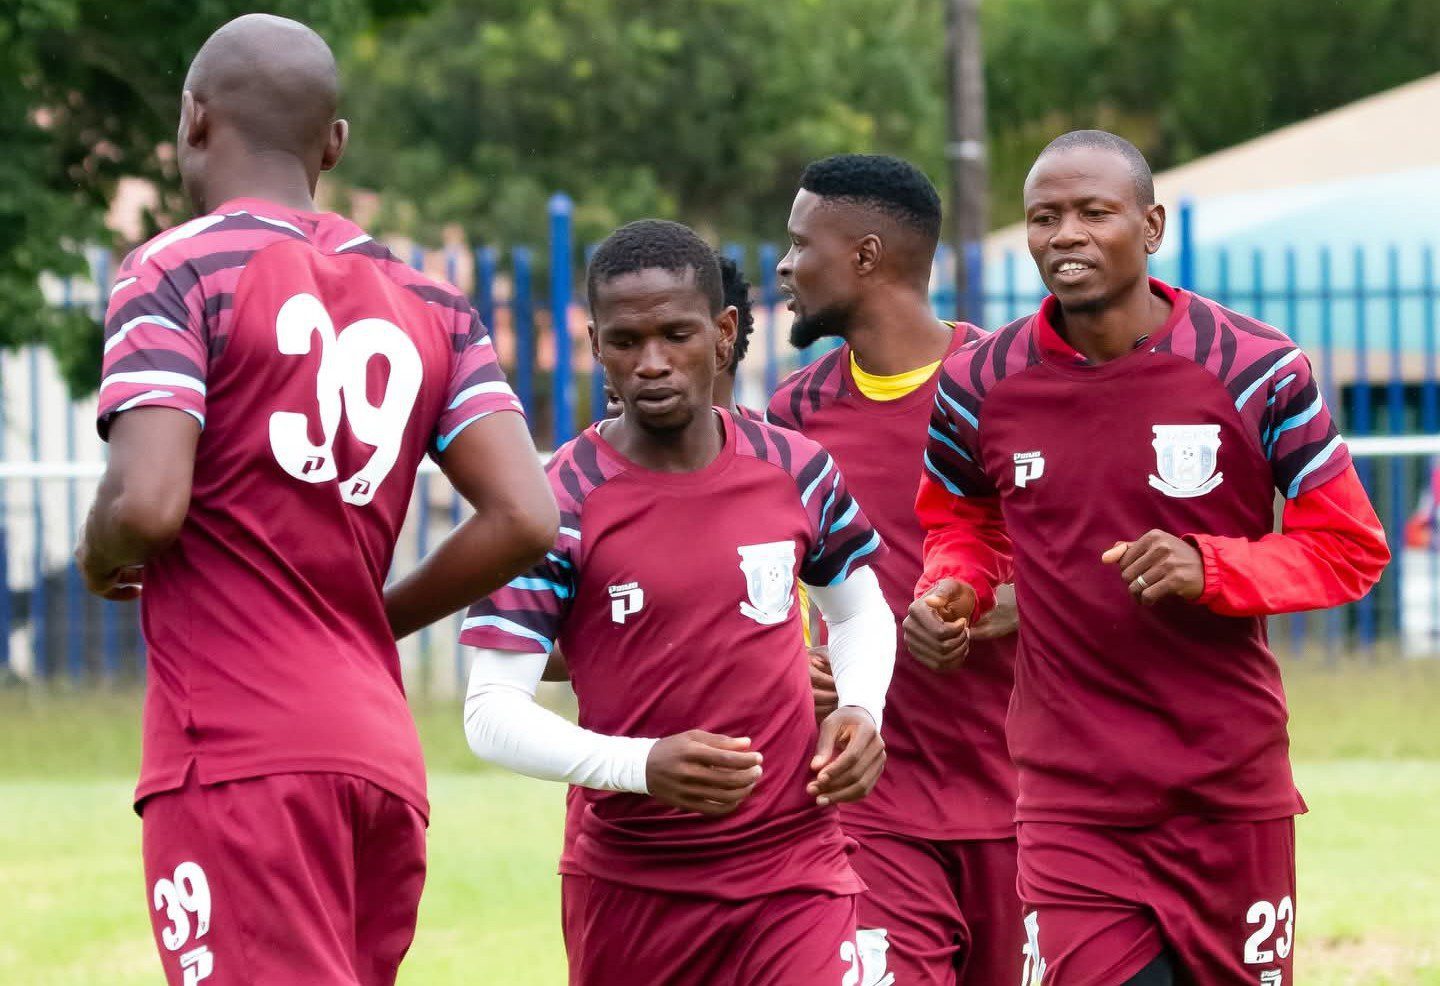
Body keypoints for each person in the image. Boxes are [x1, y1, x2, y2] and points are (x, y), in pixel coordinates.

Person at [76, 15, 556, 985]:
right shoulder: (432, 302)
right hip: (377, 754)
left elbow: (147, 502)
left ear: (193, 122)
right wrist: (371, 621)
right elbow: (526, 516)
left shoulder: (175, 269)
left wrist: (98, 554)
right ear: (333, 144)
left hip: (241, 752)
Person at [907, 130, 1390, 985]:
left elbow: (1348, 548)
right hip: (1069, 796)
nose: (1066, 235)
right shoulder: (979, 382)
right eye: (1045, 217)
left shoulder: (1256, 369)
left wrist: (1214, 568)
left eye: (1094, 212)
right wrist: (954, 587)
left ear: (1151, 224)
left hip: (1225, 790)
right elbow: (961, 519)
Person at [460, 219, 896, 985]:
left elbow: (860, 611)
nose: (653, 363)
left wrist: (861, 707)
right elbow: (491, 714)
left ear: (723, 333)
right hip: (633, 883)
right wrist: (642, 765)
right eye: (627, 342)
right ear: (597, 345)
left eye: (677, 335)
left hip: (795, 868)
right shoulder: (553, 501)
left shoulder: (793, 468)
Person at [767, 153, 1024, 986]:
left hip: (1024, 802)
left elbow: (1102, 558)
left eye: (802, 244)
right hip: (870, 806)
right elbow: (773, 578)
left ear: (866, 257)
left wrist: (1002, 605)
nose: (783, 265)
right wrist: (784, 662)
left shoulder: (1014, 385)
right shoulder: (792, 415)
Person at [600, 253, 760, 420]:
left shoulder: (779, 440)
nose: (650, 366)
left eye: (676, 337)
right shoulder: (584, 445)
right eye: (622, 342)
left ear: (724, 334)